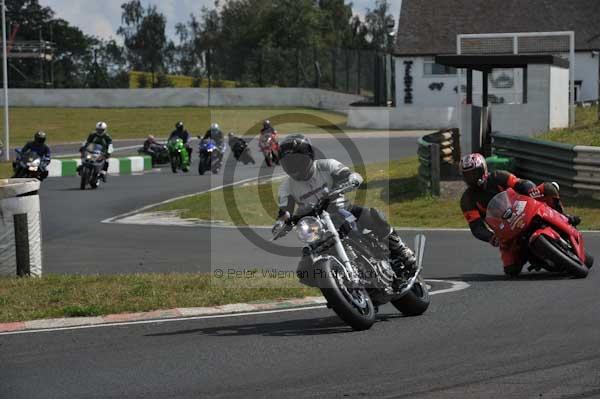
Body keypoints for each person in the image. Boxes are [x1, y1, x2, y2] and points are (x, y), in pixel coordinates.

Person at [273, 134, 416, 274]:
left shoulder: (327, 165)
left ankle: (400, 249)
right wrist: (281, 223)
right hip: (316, 225)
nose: (294, 166)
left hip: (341, 208)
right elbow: (285, 211)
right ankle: (338, 280)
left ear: (310, 155)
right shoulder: (286, 187)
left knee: (372, 215)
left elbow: (348, 175)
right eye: (289, 163)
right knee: (305, 269)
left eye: (298, 160)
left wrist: (352, 179)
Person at [459, 153, 580, 276]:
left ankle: (564, 217)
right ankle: (536, 258)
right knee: (511, 270)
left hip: (522, 209)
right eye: (468, 175)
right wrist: (490, 237)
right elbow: (476, 226)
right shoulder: (467, 199)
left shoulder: (498, 176)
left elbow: (521, 183)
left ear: (484, 169)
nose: (472, 178)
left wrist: (531, 191)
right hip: (504, 230)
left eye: (474, 173)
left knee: (548, 188)